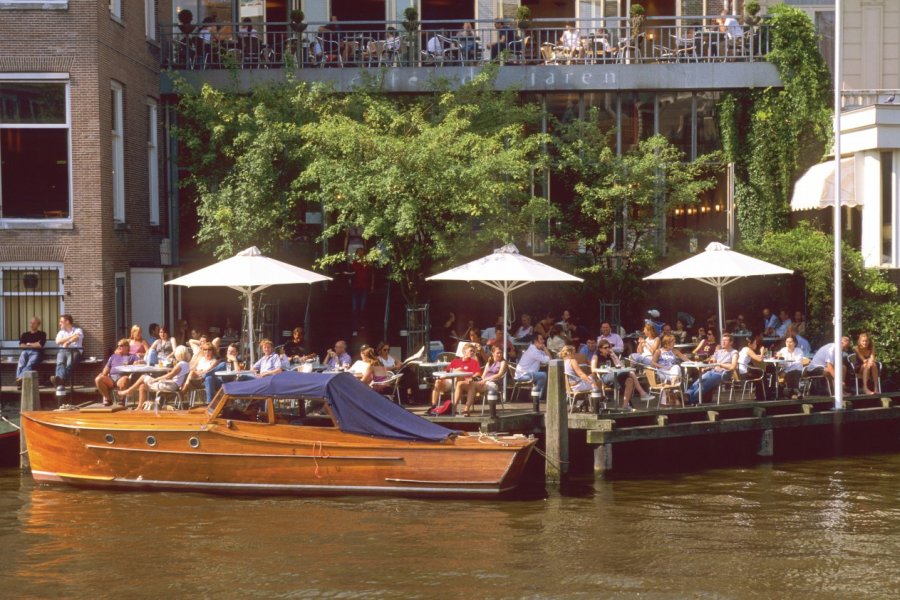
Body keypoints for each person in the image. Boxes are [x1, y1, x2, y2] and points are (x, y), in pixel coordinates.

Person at [124, 345, 191, 409]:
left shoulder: (180, 364)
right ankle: (139, 406)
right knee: (142, 386)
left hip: (170, 386)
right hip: (173, 385)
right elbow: (173, 375)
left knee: (143, 377)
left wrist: (156, 379)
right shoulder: (186, 364)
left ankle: (129, 391)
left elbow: (170, 375)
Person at [591, 341, 651, 411]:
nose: (608, 349)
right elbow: (593, 369)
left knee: (630, 380)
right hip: (605, 376)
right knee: (630, 372)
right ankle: (642, 392)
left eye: (609, 347)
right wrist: (602, 369)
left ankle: (625, 405)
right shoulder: (596, 356)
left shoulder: (610, 355)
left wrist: (614, 356)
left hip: (615, 375)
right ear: (600, 349)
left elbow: (621, 366)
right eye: (605, 348)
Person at [686, 333, 739, 405]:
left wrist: (720, 364)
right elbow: (712, 361)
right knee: (699, 381)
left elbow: (733, 366)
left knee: (704, 385)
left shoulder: (734, 352)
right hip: (713, 371)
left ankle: (689, 400)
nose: (723, 342)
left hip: (724, 373)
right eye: (722, 340)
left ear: (731, 342)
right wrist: (708, 365)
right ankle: (686, 395)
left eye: (725, 341)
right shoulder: (719, 351)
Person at [428, 343, 481, 414]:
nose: (473, 353)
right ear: (464, 352)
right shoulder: (456, 361)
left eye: (474, 351)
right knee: (438, 382)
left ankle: (459, 408)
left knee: (461, 379)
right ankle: (433, 406)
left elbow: (478, 373)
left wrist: (472, 377)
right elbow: (447, 371)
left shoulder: (474, 362)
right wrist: (456, 370)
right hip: (451, 381)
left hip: (465, 382)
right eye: (471, 351)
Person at [456, 345, 507, 416]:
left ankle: (466, 409)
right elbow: (483, 375)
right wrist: (475, 379)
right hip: (485, 382)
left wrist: (485, 380)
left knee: (472, 385)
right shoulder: (489, 362)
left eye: (501, 353)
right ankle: (461, 408)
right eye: (498, 353)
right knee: (466, 383)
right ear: (492, 353)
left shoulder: (503, 362)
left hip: (494, 383)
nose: (500, 354)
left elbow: (499, 374)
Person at [94, 339, 140, 406]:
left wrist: (138, 362)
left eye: (121, 345)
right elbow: (106, 369)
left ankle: (121, 400)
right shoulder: (113, 356)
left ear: (127, 347)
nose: (119, 347)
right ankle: (108, 399)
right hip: (111, 378)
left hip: (122, 377)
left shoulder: (132, 356)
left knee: (125, 379)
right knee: (98, 379)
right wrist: (103, 374)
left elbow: (141, 362)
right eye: (118, 346)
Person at [560, 345, 599, 410]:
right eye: (574, 353)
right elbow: (580, 374)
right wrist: (591, 382)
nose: (575, 355)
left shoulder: (563, 362)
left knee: (591, 377)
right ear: (570, 353)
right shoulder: (572, 361)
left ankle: (585, 403)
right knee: (596, 381)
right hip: (577, 386)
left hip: (569, 387)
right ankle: (598, 405)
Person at [514, 334, 552, 400]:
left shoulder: (535, 349)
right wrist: (545, 348)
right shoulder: (533, 351)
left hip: (524, 373)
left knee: (542, 374)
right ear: (535, 341)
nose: (543, 341)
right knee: (543, 375)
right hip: (523, 375)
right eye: (541, 339)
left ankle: (536, 394)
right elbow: (550, 360)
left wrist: (544, 350)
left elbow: (547, 358)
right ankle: (537, 396)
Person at [51, 314, 83, 388]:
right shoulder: (61, 332)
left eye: (61, 322)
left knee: (69, 365)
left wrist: (68, 342)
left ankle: (59, 380)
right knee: (60, 363)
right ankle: (61, 381)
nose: (59, 323)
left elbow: (76, 337)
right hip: (63, 350)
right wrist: (71, 336)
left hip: (74, 350)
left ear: (67, 322)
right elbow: (58, 341)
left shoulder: (78, 330)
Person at [349, 247, 373, 336]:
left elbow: (371, 274)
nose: (360, 254)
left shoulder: (366, 263)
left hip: (364, 287)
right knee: (355, 309)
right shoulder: (353, 263)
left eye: (362, 252)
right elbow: (350, 274)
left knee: (362, 308)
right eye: (359, 252)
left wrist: (372, 285)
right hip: (355, 287)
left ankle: (362, 326)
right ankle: (355, 328)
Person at [16, 316, 46, 385]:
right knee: (21, 363)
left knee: (29, 364)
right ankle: (19, 380)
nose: (31, 325)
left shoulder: (42, 334)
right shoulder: (25, 334)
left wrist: (28, 344)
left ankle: (19, 378)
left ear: (38, 325)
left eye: (34, 323)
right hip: (25, 351)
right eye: (31, 323)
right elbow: (21, 345)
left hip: (36, 352)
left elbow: (40, 345)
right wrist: (34, 344)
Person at [737, 334, 767, 401]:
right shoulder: (748, 350)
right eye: (755, 343)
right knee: (762, 373)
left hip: (739, 373)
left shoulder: (743, 349)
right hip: (745, 374)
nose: (756, 345)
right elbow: (759, 360)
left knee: (759, 372)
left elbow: (754, 357)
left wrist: (759, 355)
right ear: (750, 344)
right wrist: (762, 352)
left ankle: (759, 395)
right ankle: (762, 396)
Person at [776, 335, 804, 399]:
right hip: (785, 370)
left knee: (793, 372)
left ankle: (790, 393)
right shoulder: (783, 350)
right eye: (787, 342)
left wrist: (786, 371)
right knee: (791, 373)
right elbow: (780, 363)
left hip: (797, 370)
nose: (788, 344)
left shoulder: (799, 351)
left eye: (790, 342)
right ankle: (796, 392)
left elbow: (797, 364)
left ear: (795, 343)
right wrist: (779, 357)